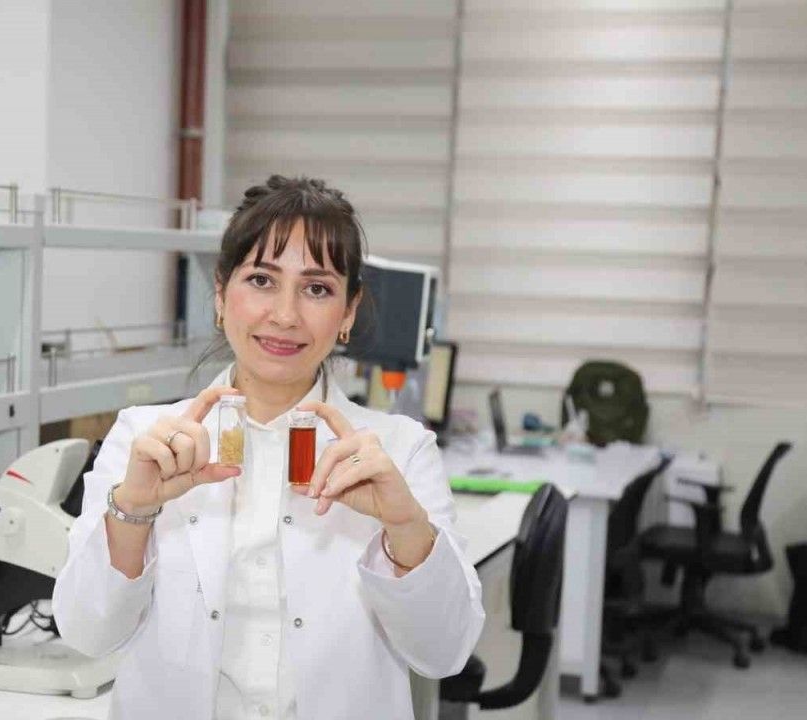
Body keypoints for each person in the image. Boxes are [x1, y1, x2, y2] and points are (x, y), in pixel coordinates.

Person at [52, 175, 484, 719]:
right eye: (261, 280)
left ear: (349, 312)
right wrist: (133, 511)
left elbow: (443, 654)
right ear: (220, 294)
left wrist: (406, 528)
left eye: (317, 288)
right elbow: (89, 634)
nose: (284, 315)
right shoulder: (145, 441)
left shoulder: (400, 450)